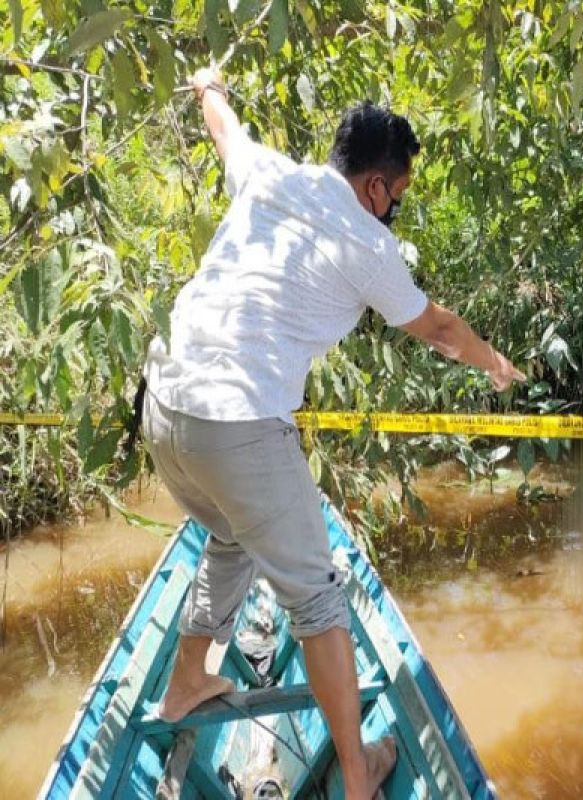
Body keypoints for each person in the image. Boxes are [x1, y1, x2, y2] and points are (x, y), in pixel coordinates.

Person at [140, 67, 525, 799]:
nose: (394, 213)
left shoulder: (271, 175)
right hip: (237, 421)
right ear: (378, 186)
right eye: (399, 199)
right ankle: (358, 776)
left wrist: (208, 84)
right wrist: (495, 362)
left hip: (166, 409)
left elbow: (225, 128)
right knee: (319, 603)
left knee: (228, 537)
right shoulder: (368, 243)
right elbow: (437, 326)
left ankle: (187, 679)